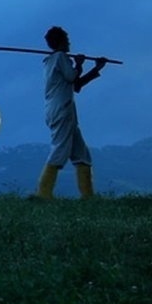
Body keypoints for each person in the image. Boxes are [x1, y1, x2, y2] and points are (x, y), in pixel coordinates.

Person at [35, 26, 107, 199]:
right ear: (61, 42)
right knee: (59, 149)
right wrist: (79, 64)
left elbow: (76, 86)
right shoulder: (60, 57)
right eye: (66, 40)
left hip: (60, 110)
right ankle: (43, 194)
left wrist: (97, 68)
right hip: (62, 110)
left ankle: (88, 197)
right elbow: (72, 77)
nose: (69, 43)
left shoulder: (52, 61)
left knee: (82, 155)